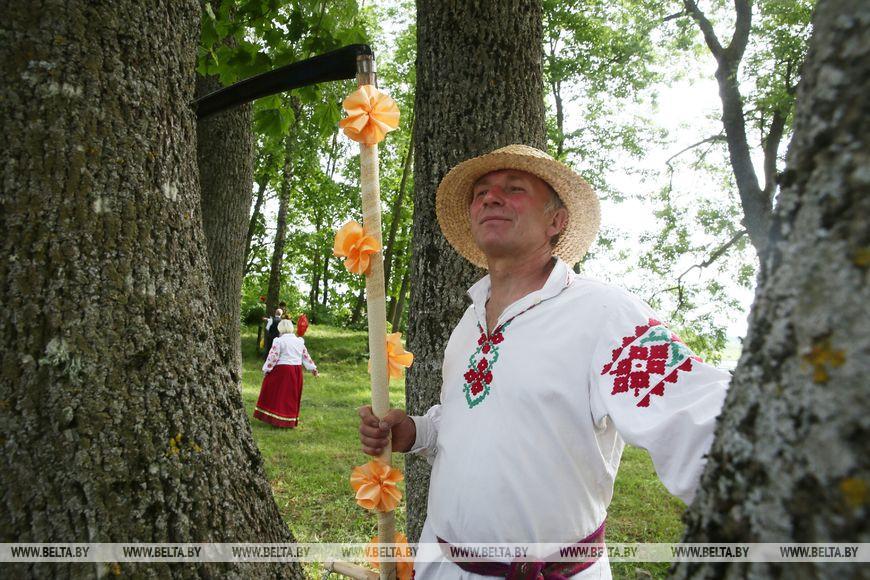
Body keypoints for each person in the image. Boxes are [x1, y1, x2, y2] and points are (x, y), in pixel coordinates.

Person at [358, 145, 730, 578]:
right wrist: (414, 431)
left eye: (514, 188)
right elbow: (466, 423)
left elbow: (696, 415)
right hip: (441, 566)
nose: (490, 198)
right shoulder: (468, 322)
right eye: (480, 193)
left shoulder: (604, 314)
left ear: (556, 221)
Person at [256, 319, 318, 428]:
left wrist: (266, 369)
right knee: (291, 395)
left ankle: (277, 418)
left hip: (282, 370)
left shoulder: (279, 341)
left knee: (278, 393)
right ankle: (288, 420)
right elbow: (305, 356)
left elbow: (273, 357)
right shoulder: (299, 341)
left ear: (280, 328)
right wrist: (313, 368)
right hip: (296, 371)